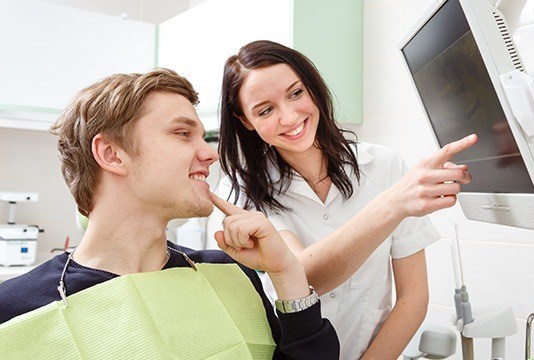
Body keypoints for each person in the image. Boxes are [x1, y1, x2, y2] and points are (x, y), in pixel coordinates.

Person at [0, 68, 340, 359]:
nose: (209, 154)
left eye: (202, 137)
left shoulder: (229, 273)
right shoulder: (14, 309)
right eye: (183, 134)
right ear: (112, 154)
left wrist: (287, 273)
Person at [216, 40, 477, 359]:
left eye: (296, 93)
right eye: (266, 110)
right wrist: (392, 205)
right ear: (244, 120)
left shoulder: (384, 166)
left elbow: (414, 297)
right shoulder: (242, 189)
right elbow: (303, 276)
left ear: (312, 87)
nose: (289, 117)